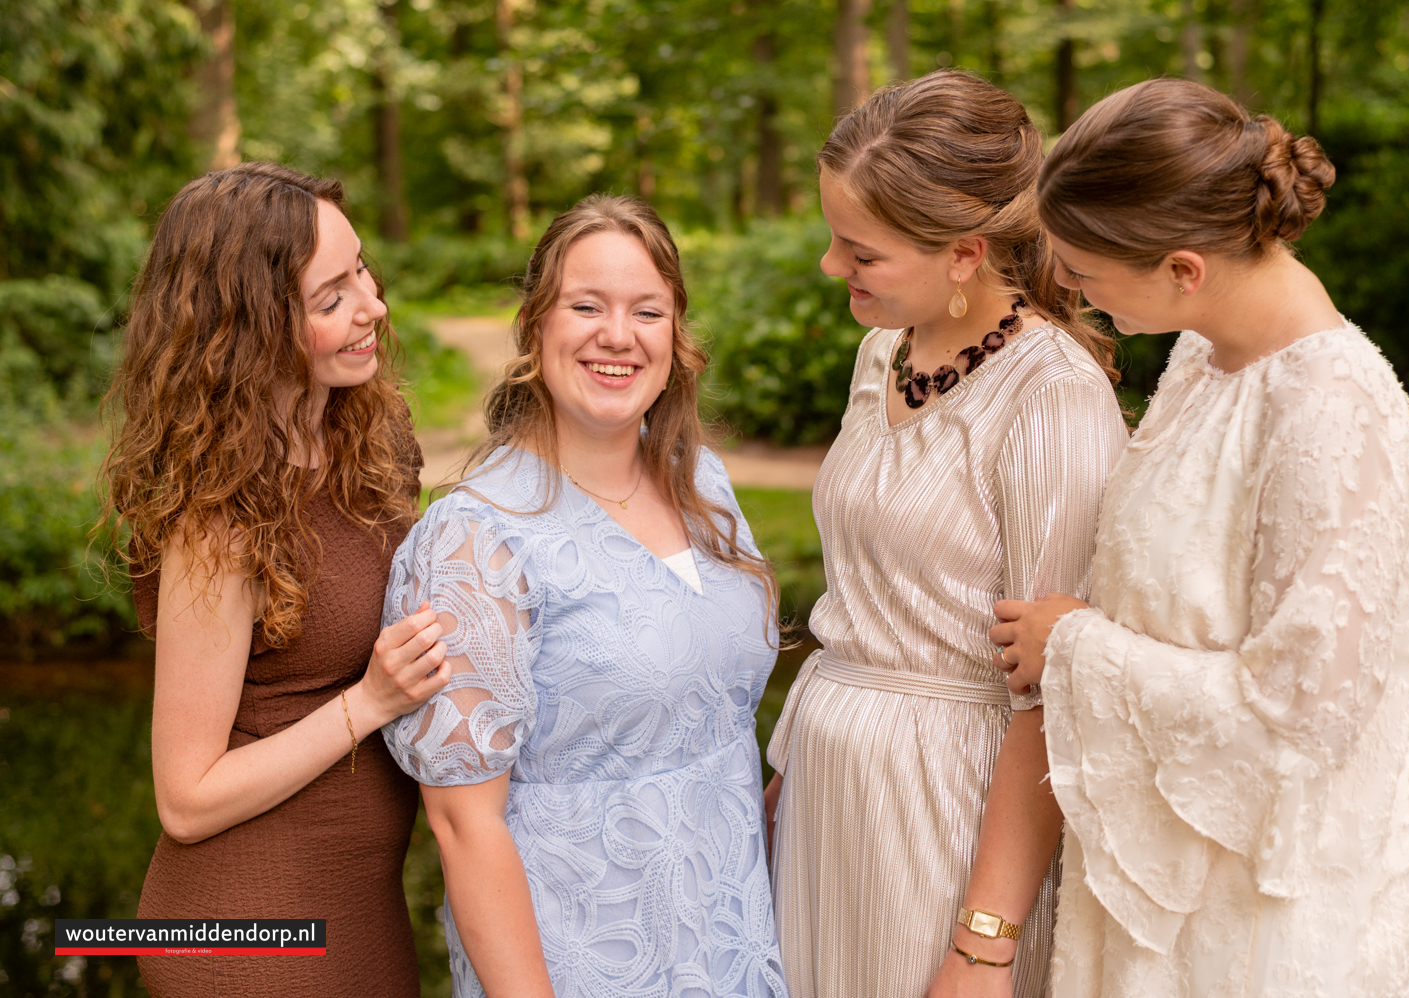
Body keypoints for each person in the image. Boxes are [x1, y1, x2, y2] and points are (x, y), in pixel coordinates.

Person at [992, 78, 1409, 996]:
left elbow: (1298, 726)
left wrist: (1071, 647)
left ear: (1183, 269)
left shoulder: (1331, 410)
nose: (1066, 287)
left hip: (1267, 927)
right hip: (1164, 894)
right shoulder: (1202, 357)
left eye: (1082, 270)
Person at [764, 70, 1129, 998]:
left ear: (965, 253)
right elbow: (862, 598)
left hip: (947, 816)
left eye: (860, 251)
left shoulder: (1052, 398)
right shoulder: (879, 351)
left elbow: (1052, 697)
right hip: (825, 803)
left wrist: (984, 944)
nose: (829, 268)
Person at [381, 194, 787, 998]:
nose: (618, 335)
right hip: (580, 958)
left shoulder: (701, 482)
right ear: (536, 326)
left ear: (676, 334)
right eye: (586, 306)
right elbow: (464, 827)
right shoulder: (476, 539)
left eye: (647, 311)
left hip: (734, 943)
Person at [103, 162, 447, 998]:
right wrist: (368, 704)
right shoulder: (218, 520)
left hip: (360, 907)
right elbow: (186, 798)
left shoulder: (366, 438)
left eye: (361, 270)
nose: (372, 306)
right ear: (248, 327)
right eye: (329, 299)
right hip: (251, 935)